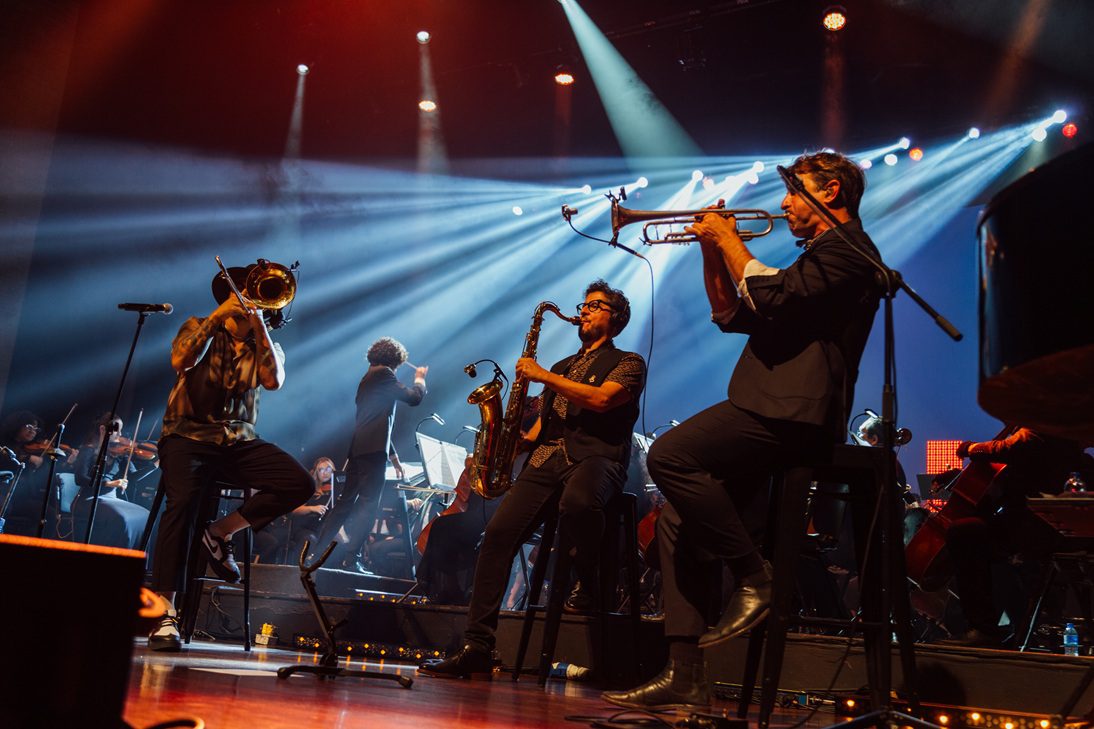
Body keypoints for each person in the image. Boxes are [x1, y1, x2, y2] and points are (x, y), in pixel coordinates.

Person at [604, 151, 880, 710]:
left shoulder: (846, 253)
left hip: (794, 411)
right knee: (676, 519)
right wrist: (711, 248)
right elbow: (734, 314)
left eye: (794, 192)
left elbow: (773, 293)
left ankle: (755, 577)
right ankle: (685, 672)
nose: (782, 204)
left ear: (829, 194)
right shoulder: (816, 259)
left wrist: (730, 239)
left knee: (670, 455)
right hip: (771, 403)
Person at [420, 279, 646, 679]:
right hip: (547, 459)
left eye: (596, 305)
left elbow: (602, 400)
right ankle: (477, 645)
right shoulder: (561, 368)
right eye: (586, 304)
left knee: (577, 502)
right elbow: (543, 428)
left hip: (598, 457)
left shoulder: (628, 362)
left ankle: (590, 579)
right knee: (496, 536)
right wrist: (504, 443)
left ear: (617, 318)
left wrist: (542, 376)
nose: (586, 310)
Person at [147, 265, 314, 652]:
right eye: (241, 293)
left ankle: (220, 532)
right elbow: (181, 362)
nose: (247, 300)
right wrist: (219, 316)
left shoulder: (265, 343)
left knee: (299, 482)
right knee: (183, 504)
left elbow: (274, 381)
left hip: (236, 442)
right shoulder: (199, 326)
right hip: (187, 435)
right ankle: (165, 614)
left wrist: (261, 328)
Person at [944, 427, 1093, 647]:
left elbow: (1012, 446)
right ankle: (1002, 622)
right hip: (1047, 529)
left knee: (966, 533)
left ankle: (984, 629)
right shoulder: (1064, 435)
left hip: (1043, 529)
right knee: (979, 537)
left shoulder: (1044, 429)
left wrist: (969, 448)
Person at [313, 337, 427, 570]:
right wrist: (420, 380)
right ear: (395, 359)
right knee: (368, 504)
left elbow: (376, 422)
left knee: (345, 503)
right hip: (372, 451)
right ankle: (351, 558)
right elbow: (413, 398)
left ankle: (315, 554)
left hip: (359, 448)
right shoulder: (385, 375)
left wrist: (394, 458)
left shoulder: (368, 378)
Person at [415, 456, 502, 605]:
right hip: (477, 507)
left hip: (497, 509)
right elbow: (470, 462)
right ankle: (450, 588)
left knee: (444, 528)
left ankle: (454, 589)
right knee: (441, 526)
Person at [71, 413, 152, 550]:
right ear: (103, 429)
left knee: (145, 515)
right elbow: (80, 478)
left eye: (121, 430)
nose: (120, 434)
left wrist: (155, 464)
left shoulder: (117, 453)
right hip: (89, 498)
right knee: (123, 519)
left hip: (111, 499)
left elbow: (133, 477)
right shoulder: (88, 450)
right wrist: (108, 484)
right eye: (117, 430)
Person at [253, 456, 333, 564]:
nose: (325, 473)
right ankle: (297, 569)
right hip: (302, 528)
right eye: (321, 469)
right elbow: (295, 509)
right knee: (309, 539)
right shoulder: (310, 489)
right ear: (316, 472)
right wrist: (312, 508)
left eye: (328, 469)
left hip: (320, 529)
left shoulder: (334, 494)